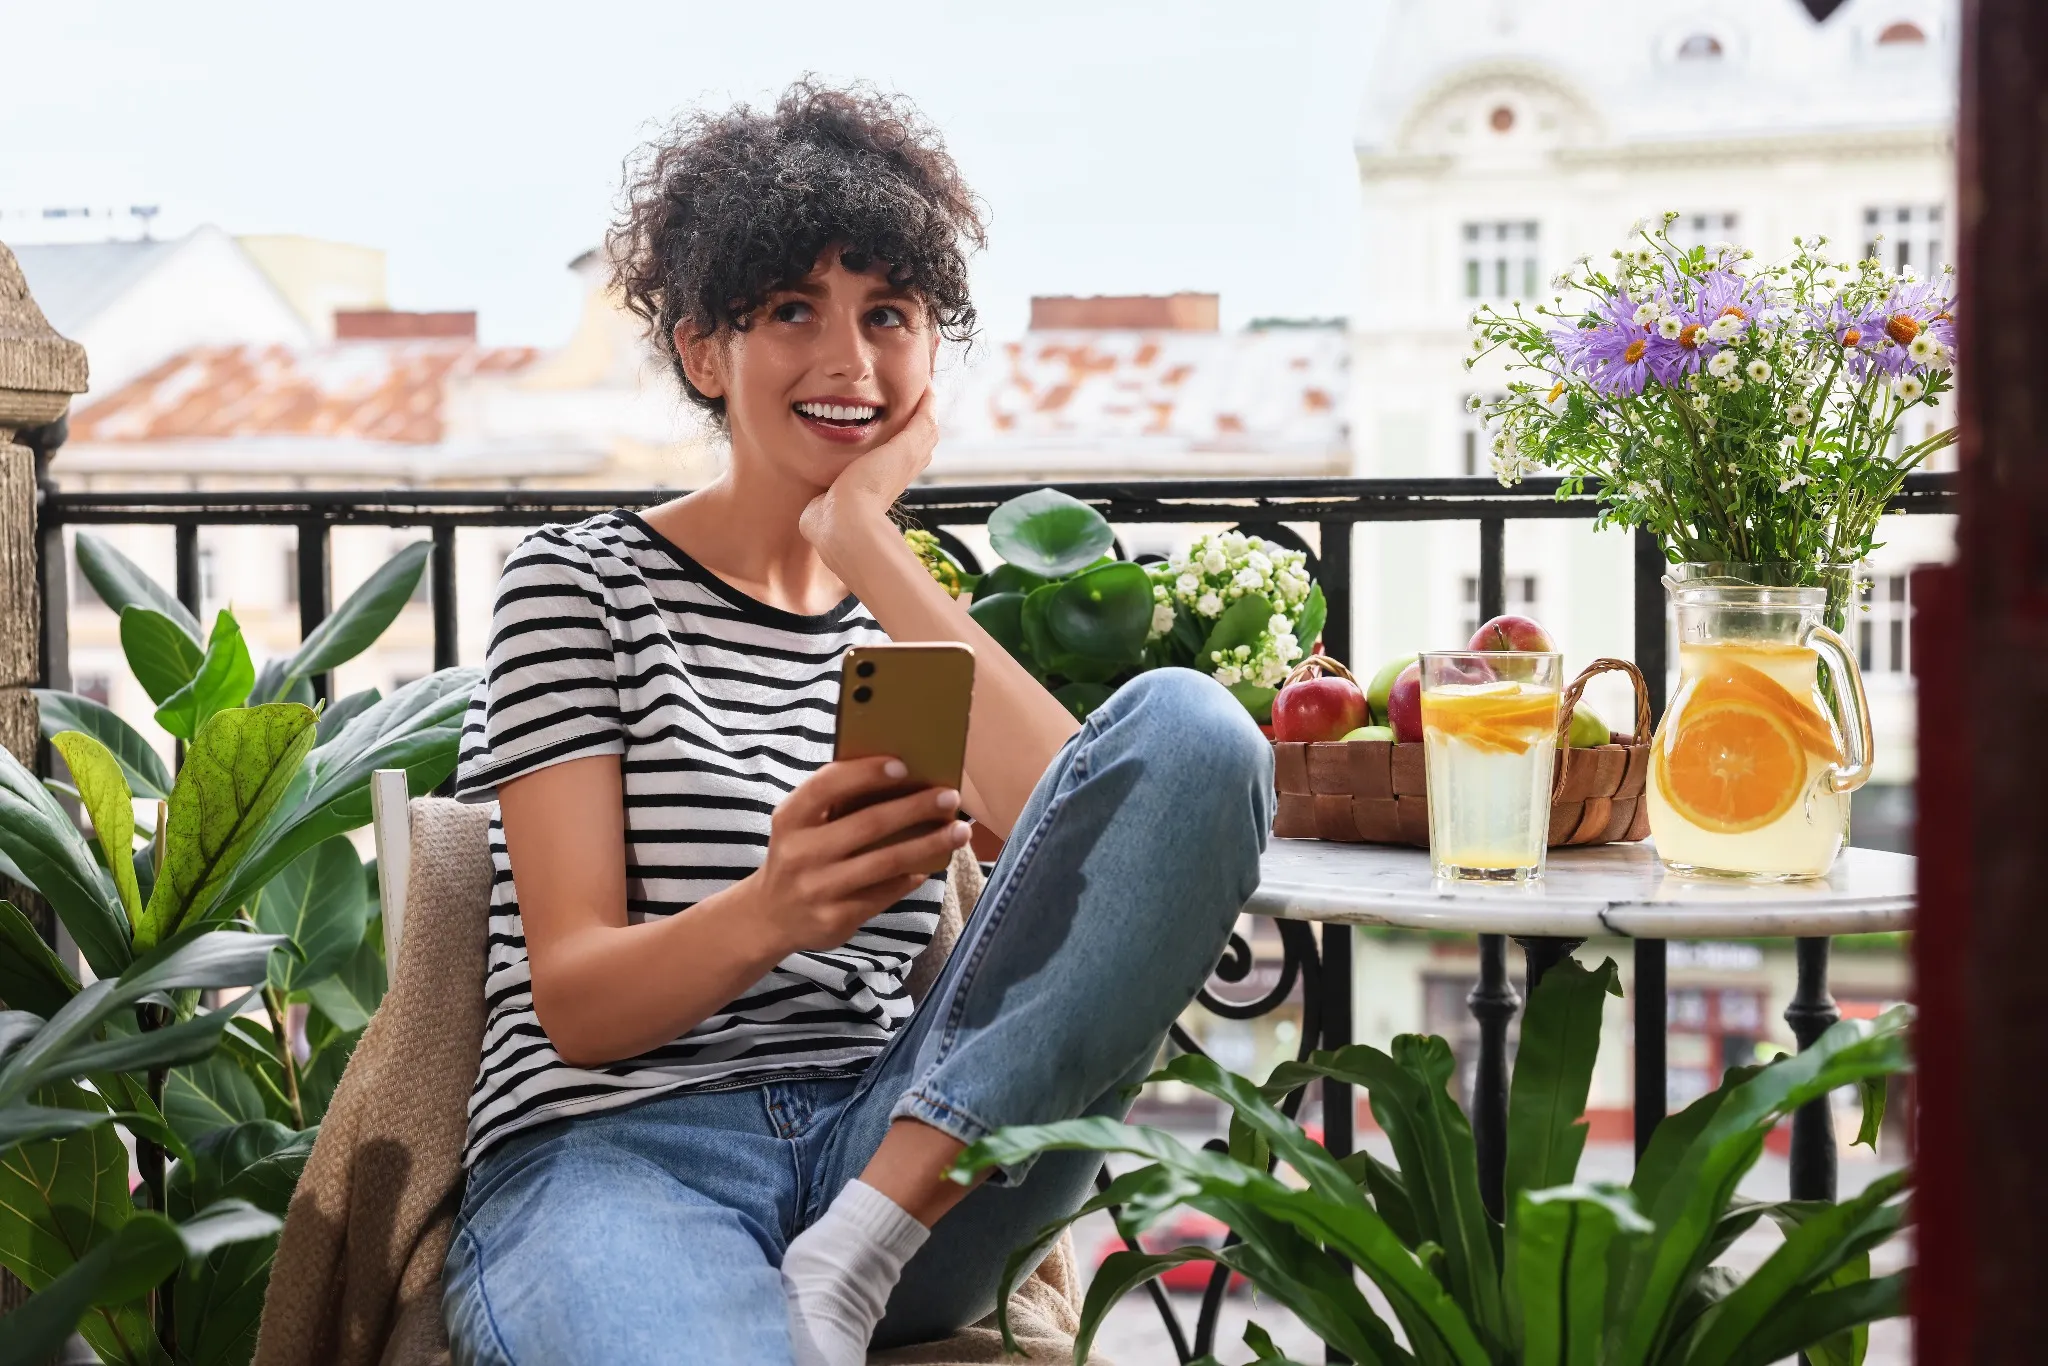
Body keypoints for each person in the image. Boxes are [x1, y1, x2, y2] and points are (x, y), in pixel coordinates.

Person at [440, 79, 1273, 1366]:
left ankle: (855, 1250)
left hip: (900, 1161)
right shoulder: (577, 584)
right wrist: (777, 908)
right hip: (617, 1161)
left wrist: (863, 540)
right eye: (790, 312)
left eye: (889, 315)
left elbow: (1119, 854)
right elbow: (577, 1006)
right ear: (701, 353)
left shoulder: (903, 620)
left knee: (1196, 729)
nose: (850, 362)